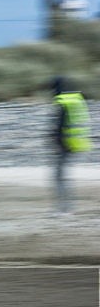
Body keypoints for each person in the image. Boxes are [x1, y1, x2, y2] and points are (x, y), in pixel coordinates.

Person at [52, 77, 91, 212]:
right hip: (75, 143)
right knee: (62, 176)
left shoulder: (63, 103)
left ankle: (65, 208)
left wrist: (57, 142)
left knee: (59, 176)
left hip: (65, 145)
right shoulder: (74, 100)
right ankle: (66, 207)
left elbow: (61, 127)